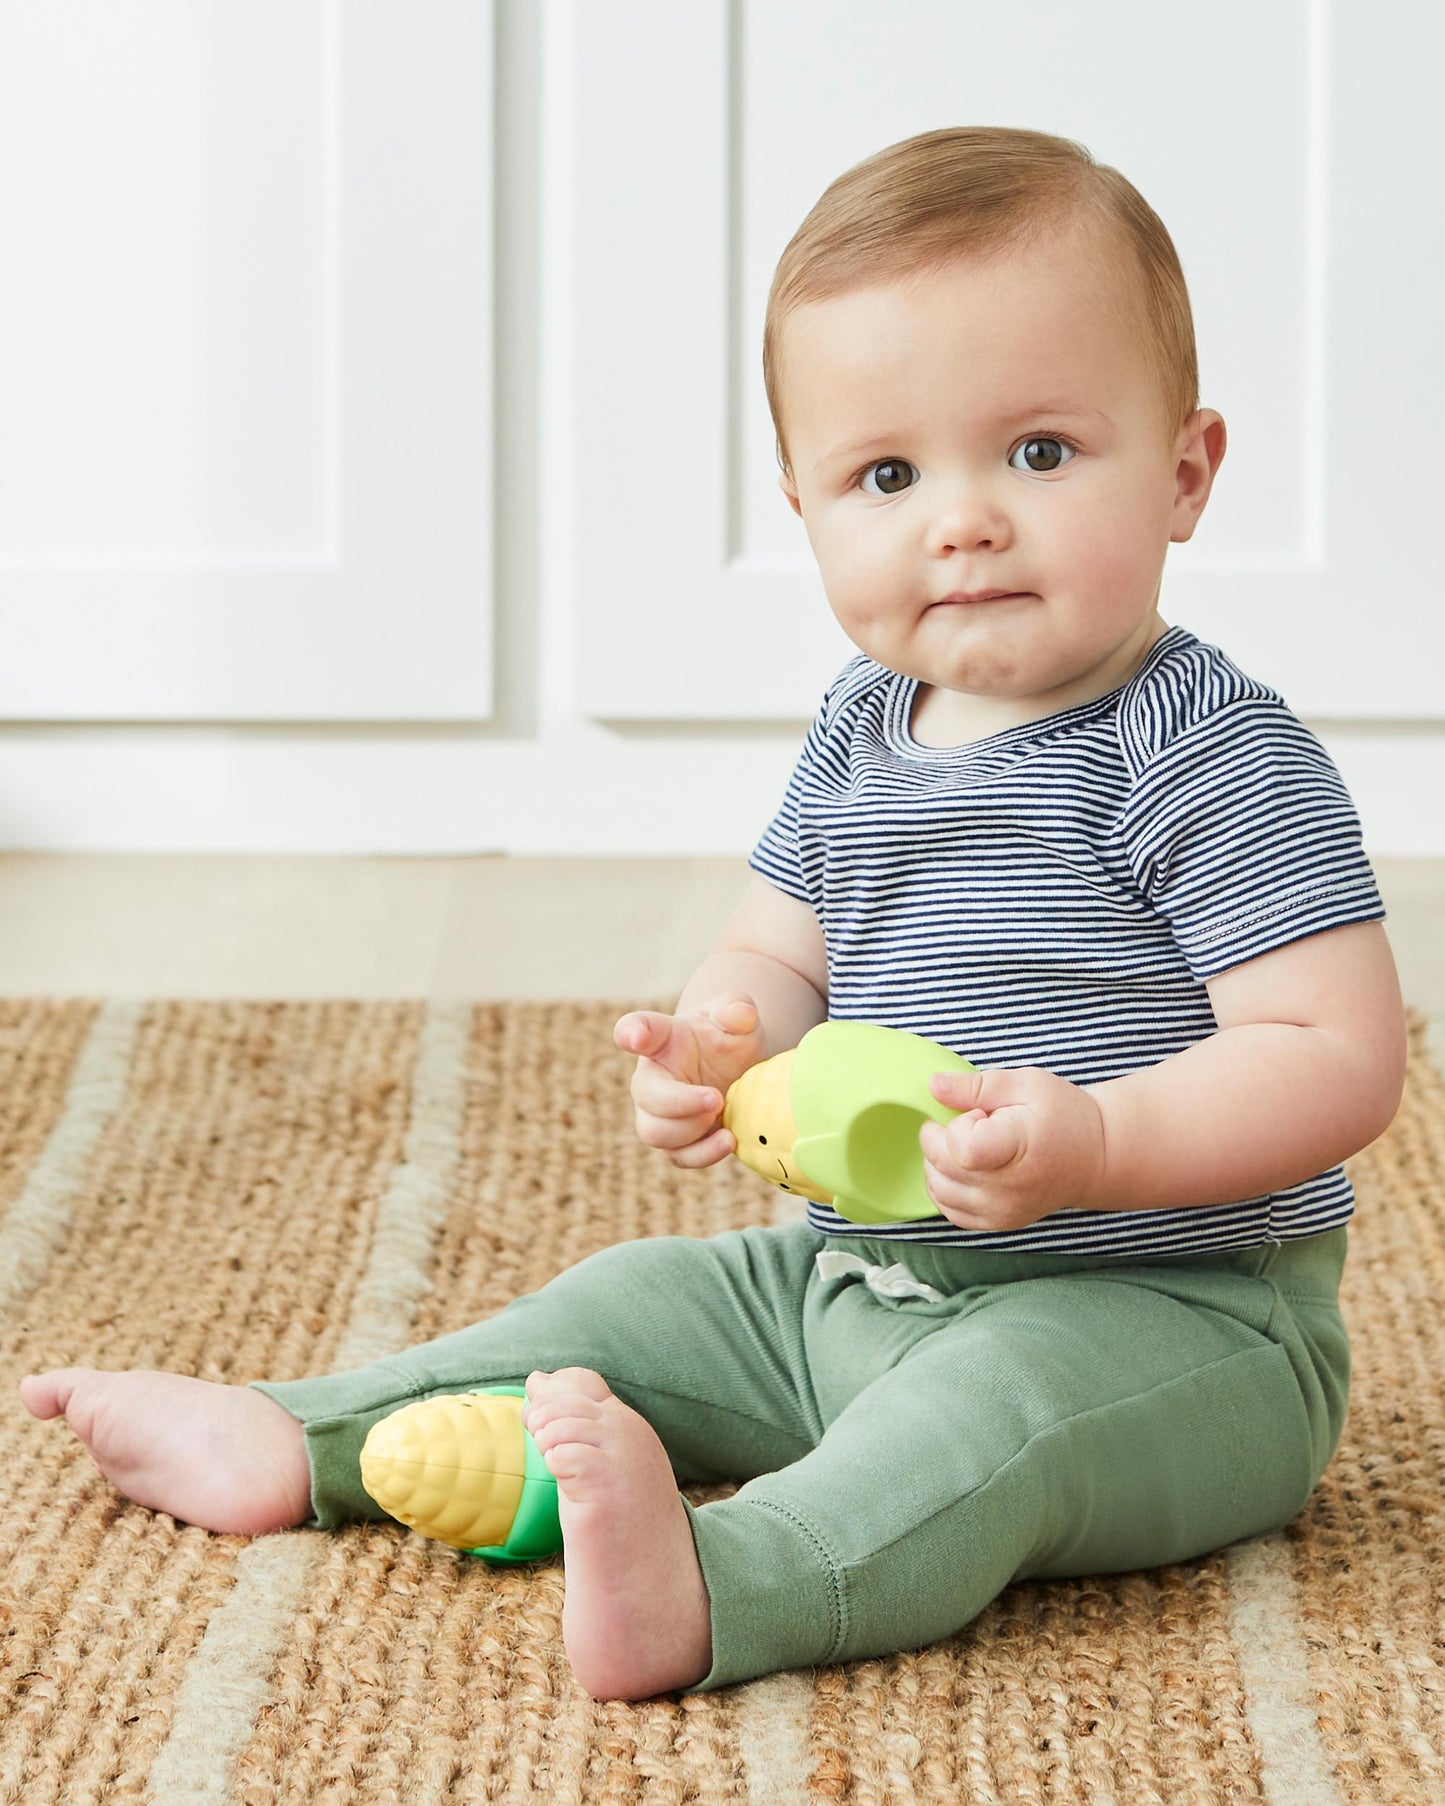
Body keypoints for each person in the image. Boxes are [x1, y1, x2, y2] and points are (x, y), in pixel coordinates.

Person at [19, 126, 1407, 1703]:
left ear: (1183, 470)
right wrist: (721, 1036)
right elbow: (779, 949)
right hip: (854, 1283)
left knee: (985, 1422)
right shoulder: (861, 723)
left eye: (1035, 451)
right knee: (626, 1299)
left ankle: (729, 1581)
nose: (959, 519)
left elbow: (1331, 1053)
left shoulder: (1205, 751)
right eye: (886, 474)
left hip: (1169, 1322)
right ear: (803, 505)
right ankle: (304, 1428)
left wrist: (1096, 1142)